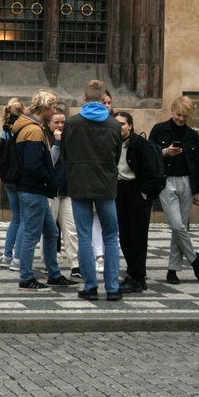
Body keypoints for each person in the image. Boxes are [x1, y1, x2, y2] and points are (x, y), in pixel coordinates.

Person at [63, 79, 123, 301]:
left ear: (85, 98)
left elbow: (66, 154)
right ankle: (113, 287)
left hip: (79, 183)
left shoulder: (72, 122)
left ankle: (90, 286)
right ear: (103, 99)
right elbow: (116, 156)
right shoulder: (114, 126)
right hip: (106, 184)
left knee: (85, 235)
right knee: (111, 235)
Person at [13, 89, 75, 290]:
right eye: (53, 107)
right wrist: (51, 180)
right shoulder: (34, 131)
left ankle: (54, 274)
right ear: (46, 108)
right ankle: (26, 278)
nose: (55, 110)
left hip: (33, 189)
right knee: (32, 235)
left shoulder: (30, 127)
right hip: (34, 190)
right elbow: (33, 165)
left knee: (52, 231)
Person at [149, 95, 199, 284]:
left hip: (187, 182)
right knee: (176, 224)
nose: (181, 119)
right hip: (166, 181)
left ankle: (172, 270)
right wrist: (166, 152)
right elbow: (149, 154)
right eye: (179, 114)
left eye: (185, 116)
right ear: (173, 110)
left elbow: (198, 163)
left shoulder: (192, 135)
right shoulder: (159, 130)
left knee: (180, 227)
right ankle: (194, 258)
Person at [115, 111, 159, 293]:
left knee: (138, 235)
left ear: (130, 125)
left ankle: (136, 275)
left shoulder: (140, 144)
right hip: (119, 189)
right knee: (124, 234)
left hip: (136, 190)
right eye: (116, 124)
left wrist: (144, 193)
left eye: (123, 124)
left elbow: (151, 171)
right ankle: (135, 274)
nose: (119, 128)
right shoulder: (114, 143)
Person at [48, 104, 79, 278]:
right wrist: (57, 143)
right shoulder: (45, 137)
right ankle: (50, 261)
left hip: (67, 188)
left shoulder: (71, 137)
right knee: (51, 229)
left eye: (62, 122)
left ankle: (75, 264)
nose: (60, 126)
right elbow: (50, 162)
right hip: (51, 190)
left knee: (71, 228)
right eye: (56, 122)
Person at [0, 97, 25, 270]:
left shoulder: (4, 129)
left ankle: (6, 254)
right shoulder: (22, 129)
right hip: (20, 178)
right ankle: (18, 258)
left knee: (15, 218)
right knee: (23, 219)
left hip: (7, 177)